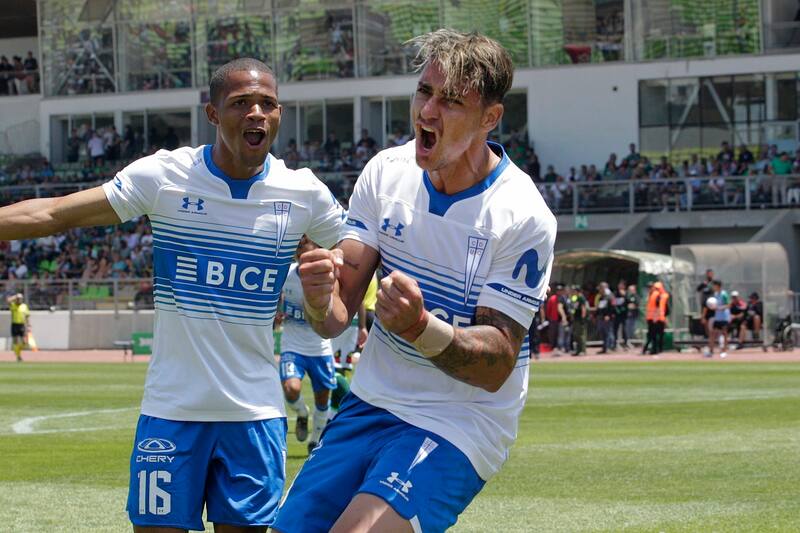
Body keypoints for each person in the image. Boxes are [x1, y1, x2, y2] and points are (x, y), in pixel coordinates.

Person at [0, 57, 346, 532]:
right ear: (212, 114)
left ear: (279, 113)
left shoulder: (303, 193)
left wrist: (321, 294)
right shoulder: (165, 177)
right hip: (171, 411)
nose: (256, 114)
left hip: (255, 416)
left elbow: (342, 297)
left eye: (267, 104)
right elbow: (56, 214)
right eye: (241, 103)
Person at [273, 30, 556, 533]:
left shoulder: (523, 214)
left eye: (450, 101)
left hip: (460, 422)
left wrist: (420, 327)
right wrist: (319, 298)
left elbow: (495, 365)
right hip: (372, 400)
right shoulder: (386, 173)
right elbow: (337, 316)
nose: (428, 112)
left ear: (490, 118)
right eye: (425, 92)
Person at [279, 236, 339, 454]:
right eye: (299, 249)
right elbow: (278, 298)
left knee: (323, 399)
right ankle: (302, 414)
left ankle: (315, 440)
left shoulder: (328, 277)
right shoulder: (286, 274)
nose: (302, 253)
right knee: (291, 388)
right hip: (292, 346)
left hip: (320, 348)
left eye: (307, 248)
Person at [706, 280, 730, 358]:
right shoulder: (715, 294)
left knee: (724, 334)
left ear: (718, 286)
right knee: (713, 333)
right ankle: (711, 351)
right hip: (717, 317)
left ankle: (724, 351)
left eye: (714, 285)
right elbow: (714, 305)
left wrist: (719, 308)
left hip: (724, 317)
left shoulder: (724, 294)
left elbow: (728, 305)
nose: (713, 287)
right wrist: (713, 307)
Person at [7, 293, 30, 362]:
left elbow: (27, 316)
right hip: (14, 324)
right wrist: (15, 296)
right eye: (18, 299)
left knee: (24, 342)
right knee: (15, 341)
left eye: (20, 299)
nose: (19, 300)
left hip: (21, 325)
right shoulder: (13, 305)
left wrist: (28, 325)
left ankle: (17, 352)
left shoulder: (24, 306)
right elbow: (8, 300)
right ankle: (18, 356)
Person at [569, 285, 588, 356]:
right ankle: (578, 350)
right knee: (576, 335)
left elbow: (583, 308)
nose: (572, 292)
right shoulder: (575, 298)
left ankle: (583, 350)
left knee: (581, 335)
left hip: (580, 319)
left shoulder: (581, 298)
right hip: (576, 319)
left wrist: (583, 318)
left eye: (574, 290)